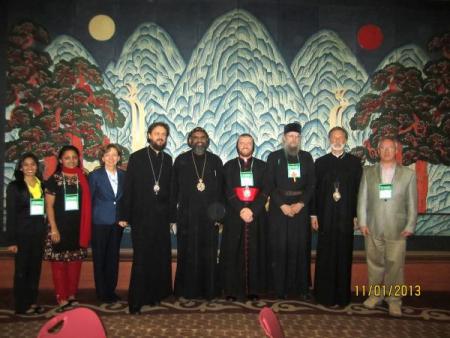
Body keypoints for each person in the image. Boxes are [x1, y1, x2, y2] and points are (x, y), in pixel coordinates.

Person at [358, 136, 417, 317]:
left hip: (397, 229)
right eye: (383, 148)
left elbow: (412, 203)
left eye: (390, 148)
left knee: (395, 266)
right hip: (373, 227)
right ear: (378, 151)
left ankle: (394, 301)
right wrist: (362, 222)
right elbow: (362, 199)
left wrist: (410, 224)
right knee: (374, 264)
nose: (386, 151)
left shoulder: (408, 174)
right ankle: (375, 296)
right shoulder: (368, 173)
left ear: (396, 150)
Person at [120, 122, 173, 314]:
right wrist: (125, 214)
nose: (160, 137)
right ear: (149, 135)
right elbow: (129, 188)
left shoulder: (168, 160)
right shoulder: (137, 157)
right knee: (142, 259)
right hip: (141, 217)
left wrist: (171, 217)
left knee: (158, 257)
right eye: (157, 133)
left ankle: (154, 295)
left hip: (161, 218)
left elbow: (170, 191)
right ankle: (136, 300)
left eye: (163, 134)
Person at [311, 127, 362, 307]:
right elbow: (314, 191)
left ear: (346, 140)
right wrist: (313, 214)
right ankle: (323, 295)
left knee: (343, 254)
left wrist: (356, 215)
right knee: (325, 254)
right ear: (329, 140)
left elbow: (359, 192)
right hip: (325, 216)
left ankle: (341, 296)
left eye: (341, 137)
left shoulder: (355, 163)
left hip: (346, 216)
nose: (337, 140)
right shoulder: (320, 162)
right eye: (334, 137)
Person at [172, 127, 224, 300]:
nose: (199, 140)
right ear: (190, 141)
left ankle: (209, 290)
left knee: (208, 253)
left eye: (203, 138)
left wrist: (218, 216)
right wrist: (174, 218)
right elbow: (174, 191)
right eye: (196, 137)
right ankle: (187, 291)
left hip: (210, 217)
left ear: (207, 141)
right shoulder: (181, 161)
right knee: (187, 252)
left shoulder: (216, 161)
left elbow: (220, 191)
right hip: (187, 216)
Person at [264, 122, 315, 300]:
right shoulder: (274, 157)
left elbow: (311, 185)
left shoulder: (307, 157)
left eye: (296, 137)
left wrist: (300, 204)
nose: (293, 140)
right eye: (290, 136)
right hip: (279, 209)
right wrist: (283, 205)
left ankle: (300, 288)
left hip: (300, 208)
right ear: (284, 138)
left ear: (300, 139)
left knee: (299, 247)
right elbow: (269, 185)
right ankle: (279, 288)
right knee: (279, 247)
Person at [220, 134, 268, 301]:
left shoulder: (262, 166)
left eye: (249, 142)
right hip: (235, 214)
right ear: (237, 145)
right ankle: (232, 290)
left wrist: (252, 210)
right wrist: (241, 209)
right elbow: (226, 191)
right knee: (233, 251)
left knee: (256, 251)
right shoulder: (228, 166)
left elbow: (265, 191)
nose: (245, 145)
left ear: (253, 145)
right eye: (242, 142)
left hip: (257, 215)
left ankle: (254, 289)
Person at [44, 145, 91, 310]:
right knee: (59, 263)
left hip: (78, 227)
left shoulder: (83, 177)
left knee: (75, 262)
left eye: (74, 157)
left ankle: (71, 294)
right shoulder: (54, 179)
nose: (71, 160)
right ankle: (61, 296)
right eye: (67, 157)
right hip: (59, 227)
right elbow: (49, 206)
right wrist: (54, 229)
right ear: (60, 160)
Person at [5, 153, 47, 314]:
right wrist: (12, 241)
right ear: (21, 167)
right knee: (21, 271)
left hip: (37, 234)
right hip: (21, 235)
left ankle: (31, 301)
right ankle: (21, 305)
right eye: (26, 164)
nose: (30, 167)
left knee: (35, 270)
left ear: (37, 166)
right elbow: (11, 215)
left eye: (33, 164)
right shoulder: (15, 187)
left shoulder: (41, 184)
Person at [89, 144, 126, 303]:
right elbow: (88, 201)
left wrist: (125, 217)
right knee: (100, 258)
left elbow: (125, 200)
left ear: (119, 158)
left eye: (115, 155)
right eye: (108, 155)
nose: (111, 158)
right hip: (99, 222)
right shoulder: (95, 176)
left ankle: (111, 290)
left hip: (117, 223)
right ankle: (102, 292)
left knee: (112, 257)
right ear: (102, 158)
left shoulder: (124, 175)